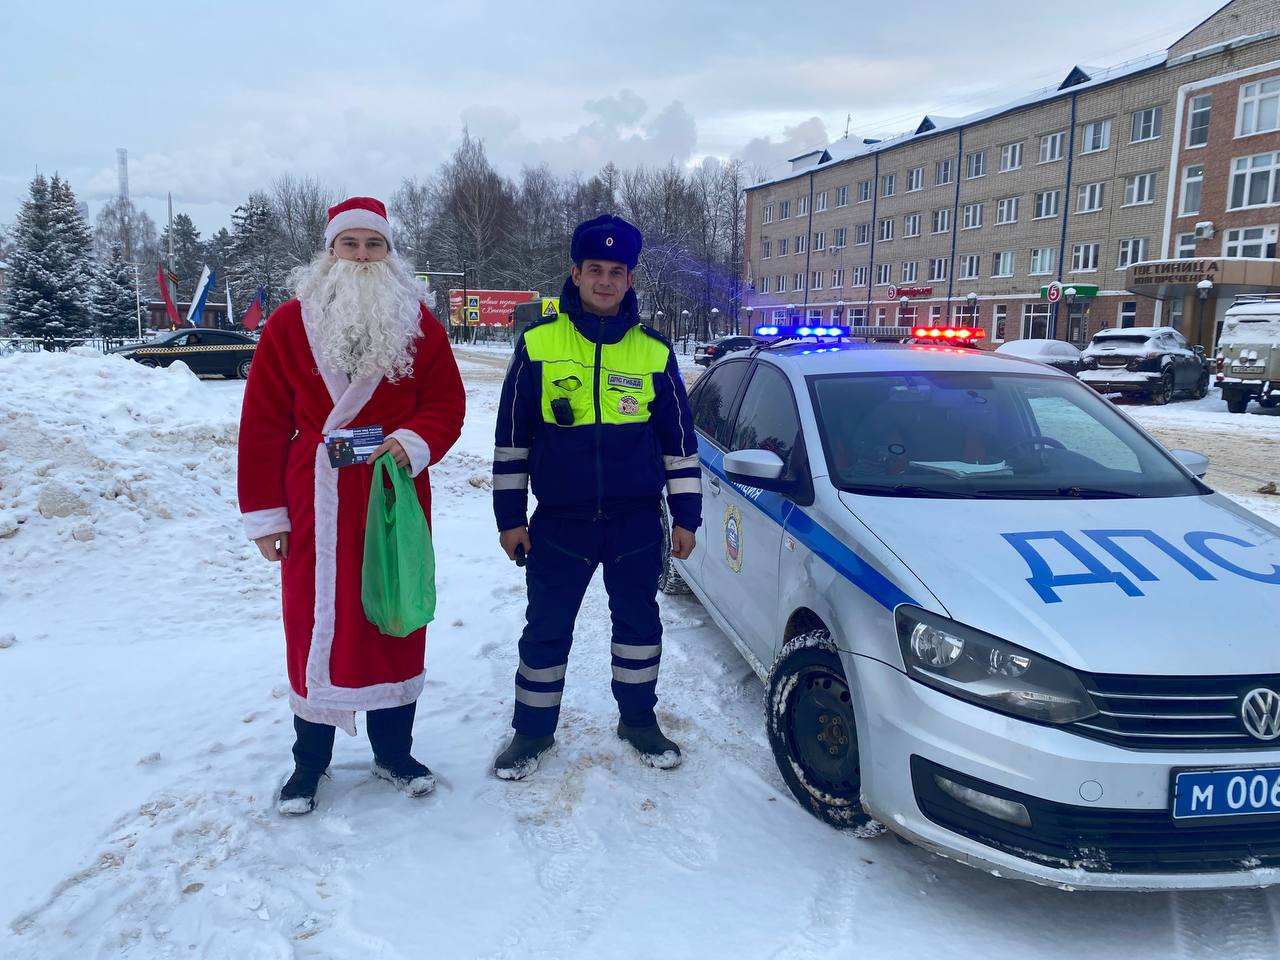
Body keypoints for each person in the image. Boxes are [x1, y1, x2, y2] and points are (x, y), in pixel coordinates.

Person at [238, 196, 466, 815]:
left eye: (375, 246)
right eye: (351, 245)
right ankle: (308, 765)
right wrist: (266, 516)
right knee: (314, 622)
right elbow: (261, 421)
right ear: (330, 251)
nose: (363, 257)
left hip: (391, 497)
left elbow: (447, 402)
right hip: (315, 500)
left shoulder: (419, 323)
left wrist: (413, 441)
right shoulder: (290, 324)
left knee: (394, 616)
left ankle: (394, 753)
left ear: (390, 255)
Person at [491, 214, 701, 780]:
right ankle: (531, 731)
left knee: (638, 625)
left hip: (635, 521)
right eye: (595, 270)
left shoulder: (653, 351)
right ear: (575, 273)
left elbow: (678, 444)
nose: (605, 281)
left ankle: (638, 720)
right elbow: (512, 440)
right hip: (561, 521)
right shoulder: (538, 344)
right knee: (546, 627)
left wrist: (686, 515)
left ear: (629, 279)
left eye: (617, 271)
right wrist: (509, 518)